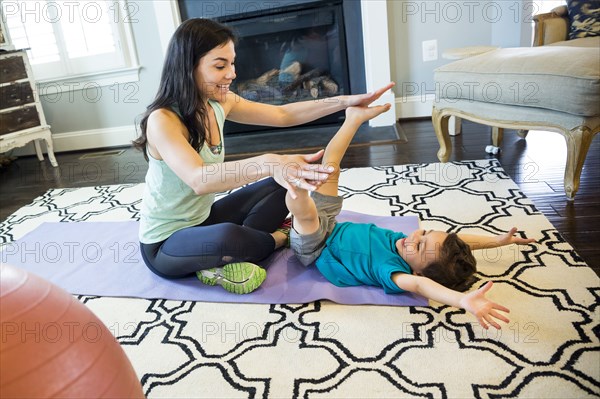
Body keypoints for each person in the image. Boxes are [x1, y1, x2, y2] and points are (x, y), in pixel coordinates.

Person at [133, 17, 395, 295]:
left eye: (232, 63)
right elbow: (199, 179)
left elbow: (282, 114)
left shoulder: (218, 102)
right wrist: (270, 162)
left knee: (285, 181)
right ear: (188, 66)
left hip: (204, 217)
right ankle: (279, 239)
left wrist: (346, 102)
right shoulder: (163, 120)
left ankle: (236, 251)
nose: (232, 73)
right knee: (228, 236)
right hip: (164, 245)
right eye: (220, 65)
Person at [286, 104, 537, 330]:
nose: (414, 236)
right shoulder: (410, 245)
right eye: (424, 234)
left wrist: (462, 300)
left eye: (419, 246)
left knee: (306, 214)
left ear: (418, 273)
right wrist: (498, 241)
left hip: (316, 249)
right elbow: (456, 241)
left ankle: (292, 187)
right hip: (333, 227)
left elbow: (420, 287)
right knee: (331, 170)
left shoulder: (393, 271)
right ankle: (353, 118)